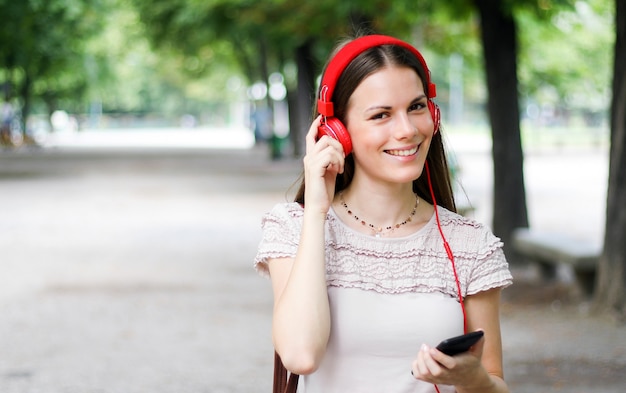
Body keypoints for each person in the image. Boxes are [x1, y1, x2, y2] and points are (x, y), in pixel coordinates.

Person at [254, 34, 513, 393]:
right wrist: (316, 212)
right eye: (381, 115)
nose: (407, 130)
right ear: (337, 132)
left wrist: (475, 381)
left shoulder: (470, 243)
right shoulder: (292, 228)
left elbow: (495, 382)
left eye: (417, 107)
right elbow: (300, 356)